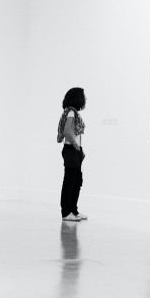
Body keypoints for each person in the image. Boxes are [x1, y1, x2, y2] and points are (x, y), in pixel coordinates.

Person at [57, 88, 88, 221]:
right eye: (83, 97)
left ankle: (73, 211)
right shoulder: (70, 112)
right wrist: (76, 148)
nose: (85, 99)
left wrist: (80, 150)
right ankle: (66, 212)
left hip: (74, 150)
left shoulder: (72, 112)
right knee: (70, 181)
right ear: (77, 98)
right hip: (71, 150)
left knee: (76, 181)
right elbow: (68, 132)